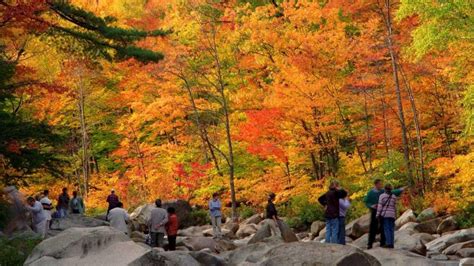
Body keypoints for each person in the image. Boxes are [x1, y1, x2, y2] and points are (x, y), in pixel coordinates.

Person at [363, 179, 405, 249]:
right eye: (380, 184)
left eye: (381, 184)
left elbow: (392, 192)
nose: (381, 185)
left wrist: (400, 190)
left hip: (383, 212)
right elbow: (366, 201)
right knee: (373, 228)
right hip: (374, 211)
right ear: (376, 184)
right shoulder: (370, 193)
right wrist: (371, 206)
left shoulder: (383, 191)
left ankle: (383, 242)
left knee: (383, 228)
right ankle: (370, 243)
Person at [376, 184, 398, 248]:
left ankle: (388, 243)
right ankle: (392, 243)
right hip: (392, 215)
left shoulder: (382, 196)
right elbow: (395, 207)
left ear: (385, 189)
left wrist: (377, 215)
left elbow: (380, 206)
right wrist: (395, 215)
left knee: (387, 229)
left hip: (385, 215)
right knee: (391, 229)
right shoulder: (394, 196)